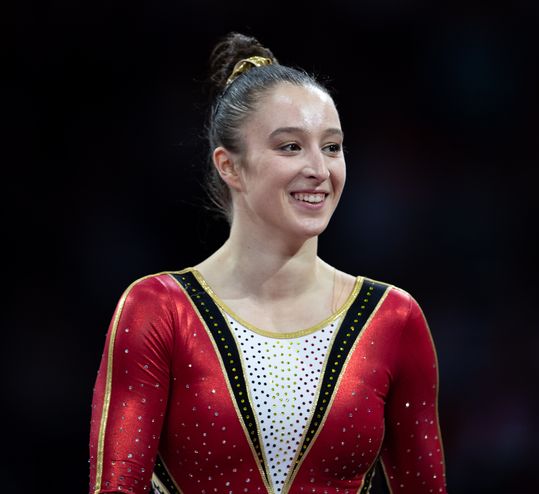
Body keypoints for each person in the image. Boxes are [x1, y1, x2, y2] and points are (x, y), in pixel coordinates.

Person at [88, 32, 447, 494]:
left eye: (332, 146)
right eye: (290, 147)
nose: (319, 168)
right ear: (230, 166)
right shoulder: (159, 310)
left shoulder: (393, 319)